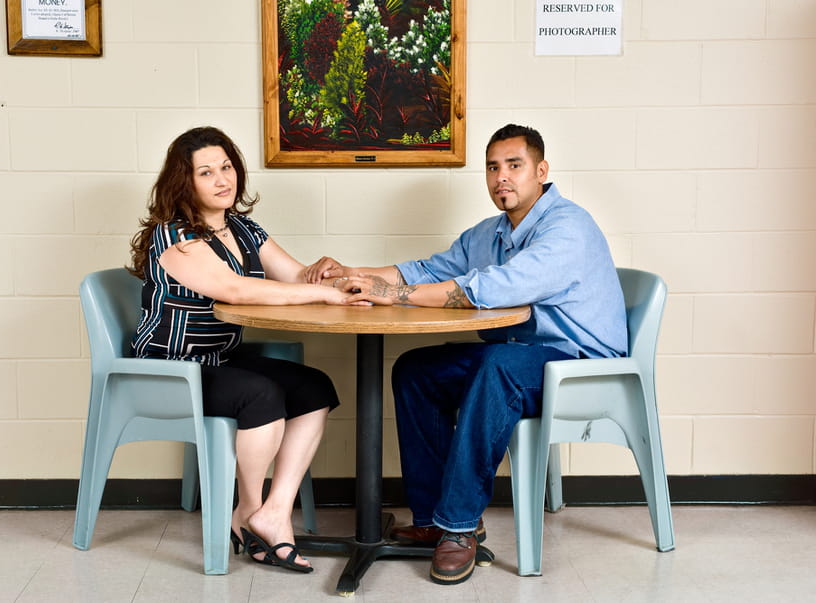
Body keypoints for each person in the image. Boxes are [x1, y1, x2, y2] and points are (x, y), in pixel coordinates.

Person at [304, 124, 627, 585]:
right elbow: (430, 269)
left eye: (514, 166)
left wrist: (394, 295)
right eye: (493, 167)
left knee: (498, 369)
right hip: (523, 352)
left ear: (541, 171)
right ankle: (434, 518)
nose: (502, 178)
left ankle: (458, 525)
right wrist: (350, 271)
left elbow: (493, 289)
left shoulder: (567, 228)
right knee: (417, 369)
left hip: (579, 363)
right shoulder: (491, 233)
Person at [128, 126, 354, 573]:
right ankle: (249, 512)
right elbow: (236, 289)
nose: (222, 179)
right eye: (206, 172)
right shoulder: (174, 237)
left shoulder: (243, 228)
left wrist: (330, 274)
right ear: (185, 182)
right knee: (260, 395)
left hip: (219, 360)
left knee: (314, 388)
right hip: (170, 369)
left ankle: (273, 510)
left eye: (226, 167)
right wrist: (323, 297)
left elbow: (293, 276)